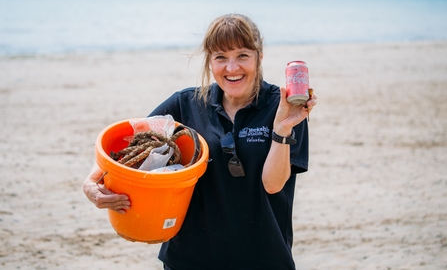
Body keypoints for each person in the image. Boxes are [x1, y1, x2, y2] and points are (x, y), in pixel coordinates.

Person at [83, 13, 317, 270]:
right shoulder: (186, 105)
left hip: (263, 258)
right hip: (190, 259)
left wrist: (281, 128)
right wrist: (92, 183)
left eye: (242, 55)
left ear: (259, 56)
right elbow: (129, 149)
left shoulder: (283, 108)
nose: (232, 68)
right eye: (220, 57)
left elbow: (273, 185)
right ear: (209, 61)